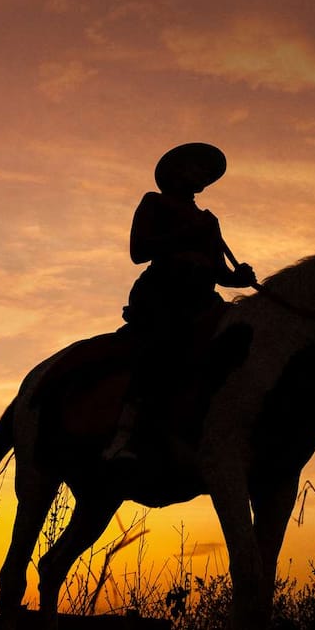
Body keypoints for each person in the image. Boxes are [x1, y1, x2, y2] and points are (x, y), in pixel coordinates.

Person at [103, 143, 257, 462]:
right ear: (176, 172)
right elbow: (139, 251)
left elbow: (219, 272)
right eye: (195, 167)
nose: (201, 174)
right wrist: (189, 232)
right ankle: (127, 430)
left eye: (205, 171)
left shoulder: (208, 220)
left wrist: (239, 278)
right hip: (163, 292)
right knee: (162, 344)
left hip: (203, 297)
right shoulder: (155, 202)